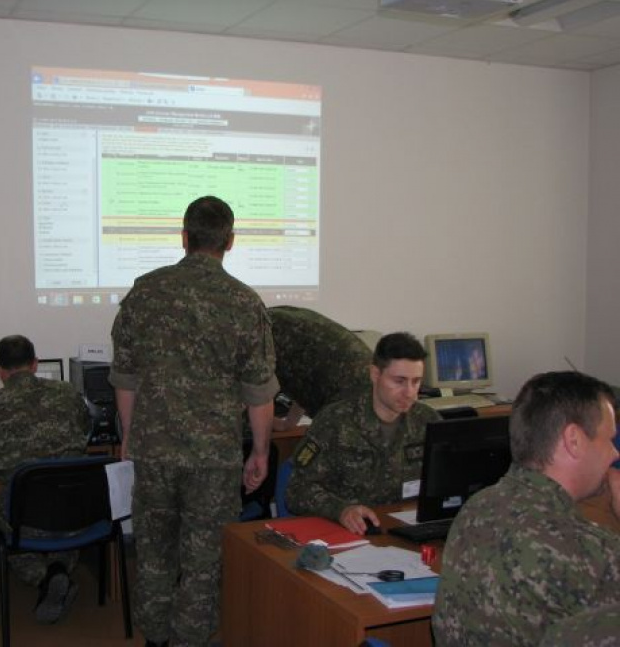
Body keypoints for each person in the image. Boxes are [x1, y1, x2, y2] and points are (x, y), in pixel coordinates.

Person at [109, 195, 279, 647]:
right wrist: (260, 452)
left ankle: (155, 639)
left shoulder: (145, 291)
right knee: (204, 561)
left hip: (154, 451)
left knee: (154, 552)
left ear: (184, 237)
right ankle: (191, 640)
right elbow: (259, 391)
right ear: (230, 241)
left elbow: (124, 377)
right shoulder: (244, 302)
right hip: (213, 459)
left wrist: (129, 437)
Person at [433, 371, 620, 646]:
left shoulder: (477, 507)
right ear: (574, 440)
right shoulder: (588, 549)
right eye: (609, 439)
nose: (615, 453)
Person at [0, 334, 90, 625]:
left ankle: (42, 577)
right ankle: (59, 569)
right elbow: (85, 431)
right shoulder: (69, 394)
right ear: (35, 364)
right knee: (59, 516)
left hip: (24, 513)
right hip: (78, 508)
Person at [285, 332, 441, 534]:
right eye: (399, 381)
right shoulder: (336, 421)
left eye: (416, 381)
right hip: (350, 532)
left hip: (406, 530)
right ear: (375, 374)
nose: (410, 392)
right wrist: (341, 510)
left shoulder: (427, 420)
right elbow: (297, 490)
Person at [266, 305, 372, 428]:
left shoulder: (265, 331)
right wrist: (288, 423)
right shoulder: (280, 320)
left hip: (354, 393)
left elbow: (259, 393)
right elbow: (304, 378)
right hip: (362, 388)